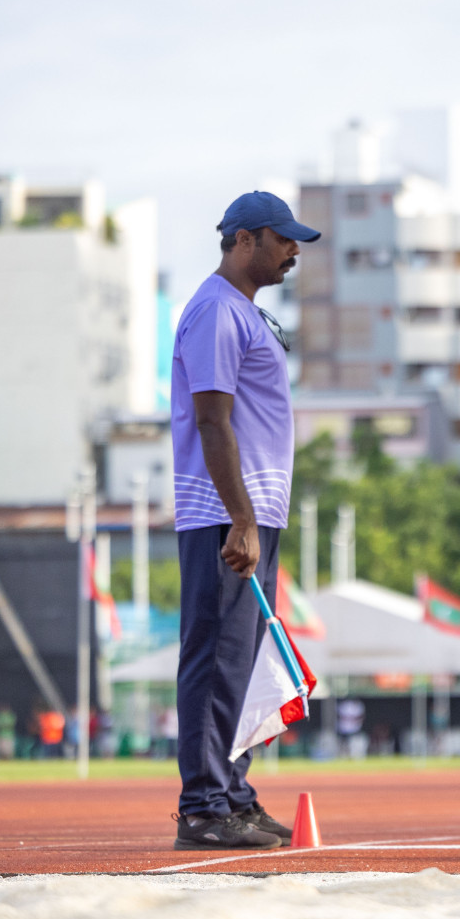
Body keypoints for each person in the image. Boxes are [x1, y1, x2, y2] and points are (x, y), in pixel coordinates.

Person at [170, 191, 320, 851]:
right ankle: (204, 805)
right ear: (245, 239)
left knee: (244, 658)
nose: (294, 253)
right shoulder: (214, 311)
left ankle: (232, 791)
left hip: (252, 511)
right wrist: (239, 519)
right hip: (223, 514)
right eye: (284, 240)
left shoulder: (245, 313)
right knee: (216, 654)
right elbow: (212, 417)